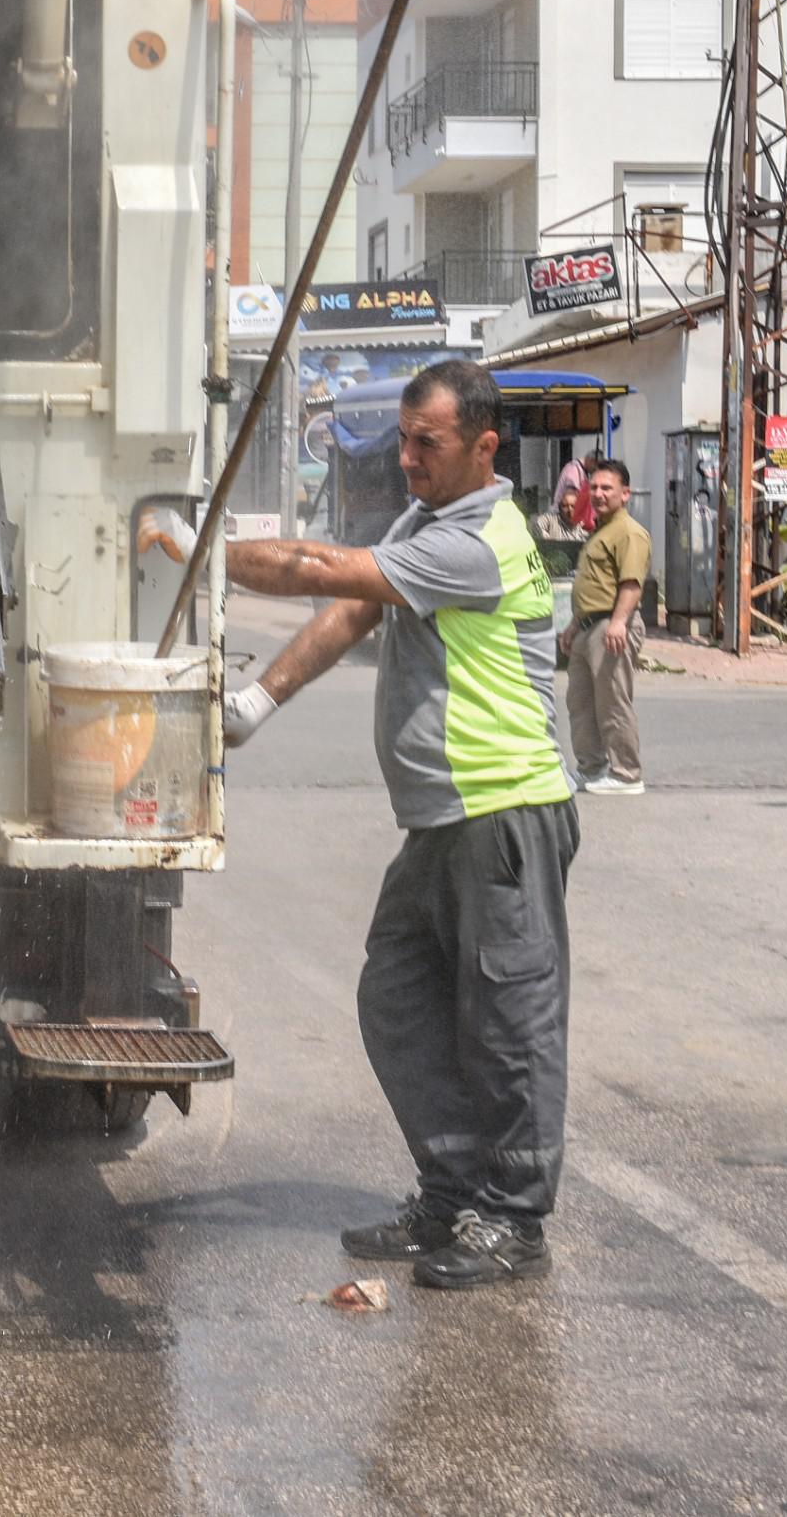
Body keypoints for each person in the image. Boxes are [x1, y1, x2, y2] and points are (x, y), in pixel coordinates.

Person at [219, 358, 581, 1291]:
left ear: (483, 448)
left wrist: (197, 547)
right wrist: (259, 699)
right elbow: (349, 610)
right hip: (443, 821)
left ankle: (512, 1222)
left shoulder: (485, 540)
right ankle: (453, 1192)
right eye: (404, 441)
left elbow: (313, 568)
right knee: (399, 997)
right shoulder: (430, 521)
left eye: (430, 444)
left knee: (509, 1022)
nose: (408, 459)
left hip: (504, 810)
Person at [568, 457, 651, 796]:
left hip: (611, 626)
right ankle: (591, 768)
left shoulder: (629, 533)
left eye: (607, 488)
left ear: (625, 493)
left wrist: (618, 622)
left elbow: (631, 583)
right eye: (595, 487)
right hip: (588, 626)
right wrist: (573, 626)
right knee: (582, 703)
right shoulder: (601, 530)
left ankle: (626, 774)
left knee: (613, 702)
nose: (599, 493)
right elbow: (594, 583)